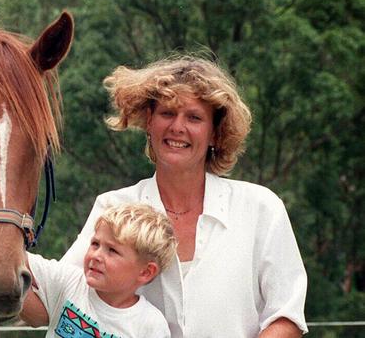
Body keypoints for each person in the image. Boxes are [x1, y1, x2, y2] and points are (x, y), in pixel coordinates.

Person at [60, 56, 308, 338]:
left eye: (194, 117)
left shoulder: (262, 208)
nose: (177, 127)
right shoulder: (113, 207)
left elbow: (286, 317)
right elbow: (58, 293)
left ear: (215, 133)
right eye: (167, 113)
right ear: (149, 122)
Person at [21, 203, 177, 338]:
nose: (96, 255)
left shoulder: (151, 325)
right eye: (95, 244)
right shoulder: (70, 282)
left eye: (112, 251)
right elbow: (16, 258)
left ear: (145, 272)